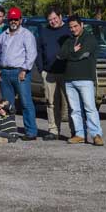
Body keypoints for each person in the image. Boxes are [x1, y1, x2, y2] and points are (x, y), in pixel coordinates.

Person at [0, 7, 39, 140]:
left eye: (16, 19)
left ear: (20, 20)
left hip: (20, 72)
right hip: (5, 73)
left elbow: (32, 54)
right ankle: (9, 131)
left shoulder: (26, 35)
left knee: (25, 103)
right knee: (7, 105)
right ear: (8, 20)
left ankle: (31, 132)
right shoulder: (3, 35)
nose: (13, 22)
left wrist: (25, 69)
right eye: (11, 19)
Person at [59, 15, 104, 146]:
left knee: (90, 108)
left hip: (85, 79)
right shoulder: (69, 40)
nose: (73, 29)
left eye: (75, 26)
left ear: (81, 25)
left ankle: (96, 135)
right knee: (75, 110)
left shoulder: (89, 38)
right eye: (71, 27)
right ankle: (79, 134)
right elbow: (60, 55)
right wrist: (72, 51)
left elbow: (83, 54)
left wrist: (70, 54)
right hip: (69, 80)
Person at [36, 8, 72, 140]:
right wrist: (41, 70)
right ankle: (53, 130)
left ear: (60, 16)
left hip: (66, 73)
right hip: (49, 73)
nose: (53, 21)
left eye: (55, 18)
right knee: (51, 103)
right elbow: (38, 51)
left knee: (70, 104)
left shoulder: (69, 30)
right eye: (50, 20)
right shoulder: (44, 32)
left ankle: (75, 131)